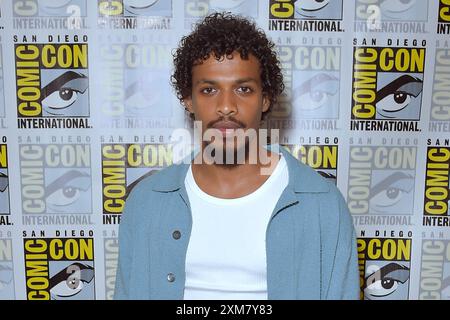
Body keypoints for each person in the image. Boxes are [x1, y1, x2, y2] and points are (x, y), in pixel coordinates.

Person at [114, 12, 359, 300]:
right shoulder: (147, 202)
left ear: (265, 98)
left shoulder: (322, 205)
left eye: (243, 89)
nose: (226, 106)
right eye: (209, 90)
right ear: (188, 99)